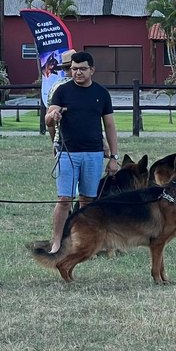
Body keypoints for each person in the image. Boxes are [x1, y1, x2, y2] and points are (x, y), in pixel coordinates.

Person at [44, 51, 120, 253]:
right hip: (68, 153)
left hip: (94, 154)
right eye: (74, 69)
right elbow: (48, 119)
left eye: (82, 69)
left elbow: (110, 126)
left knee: (87, 200)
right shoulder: (62, 91)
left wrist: (114, 156)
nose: (77, 72)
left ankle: (85, 241)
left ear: (92, 70)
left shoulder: (101, 93)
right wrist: (54, 115)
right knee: (64, 199)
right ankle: (57, 242)